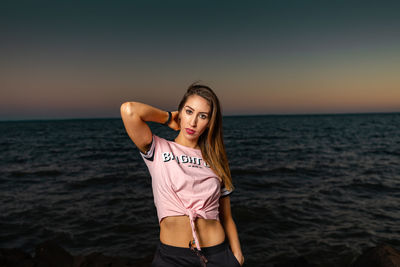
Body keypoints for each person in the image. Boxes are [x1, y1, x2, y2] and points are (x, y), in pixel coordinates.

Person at [120, 83, 244, 267]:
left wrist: (237, 256)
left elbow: (226, 216)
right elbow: (129, 110)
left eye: (202, 116)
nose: (193, 122)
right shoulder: (159, 149)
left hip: (218, 255)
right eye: (189, 111)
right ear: (180, 112)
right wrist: (167, 118)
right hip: (172, 257)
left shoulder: (217, 160)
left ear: (210, 122)